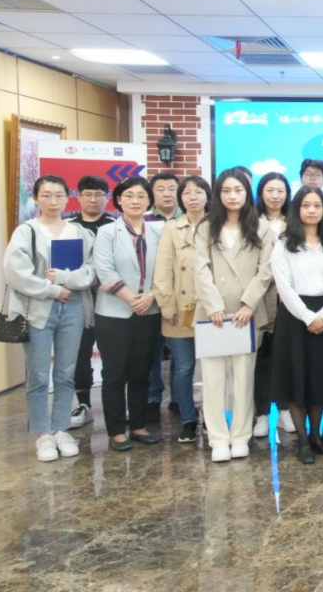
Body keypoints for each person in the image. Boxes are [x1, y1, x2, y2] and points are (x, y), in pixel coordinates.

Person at [4, 175, 97, 462]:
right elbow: (16, 273)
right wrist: (53, 290)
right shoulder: (26, 231)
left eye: (59, 195)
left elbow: (92, 269)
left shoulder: (80, 232)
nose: (53, 201)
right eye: (46, 195)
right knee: (39, 374)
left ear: (68, 198)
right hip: (37, 309)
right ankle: (42, 434)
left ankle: (61, 428)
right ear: (36, 198)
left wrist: (66, 280)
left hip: (73, 307)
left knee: (66, 372)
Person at [194, 171, 276, 462]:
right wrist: (213, 305)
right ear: (218, 194)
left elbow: (266, 270)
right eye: (226, 190)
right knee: (213, 379)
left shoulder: (261, 226)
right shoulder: (206, 227)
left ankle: (240, 436)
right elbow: (200, 269)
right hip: (212, 315)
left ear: (247, 193)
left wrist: (248, 304)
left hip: (246, 314)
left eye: (238, 190)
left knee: (244, 379)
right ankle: (218, 439)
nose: (232, 196)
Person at [271, 186, 323, 464]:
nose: (312, 210)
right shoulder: (284, 244)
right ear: (297, 209)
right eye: (306, 205)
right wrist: (308, 317)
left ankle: (317, 435)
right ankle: (303, 440)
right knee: (297, 379)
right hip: (294, 318)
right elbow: (283, 287)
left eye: (317, 205)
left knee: (319, 379)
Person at [93, 176, 164, 452]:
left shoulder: (158, 231)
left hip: (149, 309)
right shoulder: (107, 232)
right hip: (114, 312)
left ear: (149, 201)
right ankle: (115, 431)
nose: (136, 201)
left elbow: (165, 270)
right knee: (114, 373)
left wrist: (151, 296)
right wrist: (131, 299)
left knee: (141, 371)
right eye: (129, 196)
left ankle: (138, 426)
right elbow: (104, 270)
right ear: (119, 200)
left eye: (142, 196)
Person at [151, 175, 209, 444]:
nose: (193, 197)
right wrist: (166, 305)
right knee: (183, 368)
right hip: (180, 308)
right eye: (187, 193)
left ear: (208, 196)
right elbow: (163, 270)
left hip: (212, 309)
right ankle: (188, 419)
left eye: (198, 192)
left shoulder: (217, 225)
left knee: (214, 369)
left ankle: (213, 417)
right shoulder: (171, 229)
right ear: (181, 198)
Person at [66, 174, 114, 430]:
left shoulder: (116, 226)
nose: (93, 199)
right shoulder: (68, 227)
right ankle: (83, 404)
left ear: (107, 198)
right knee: (80, 352)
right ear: (78, 197)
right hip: (79, 300)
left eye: (98, 195)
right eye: (88, 194)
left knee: (113, 354)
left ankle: (115, 404)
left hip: (111, 299)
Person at [252, 172, 293, 439]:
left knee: (286, 357)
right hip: (262, 296)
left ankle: (285, 409)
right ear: (261, 193)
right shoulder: (251, 221)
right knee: (263, 358)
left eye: (280, 191)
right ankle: (262, 414)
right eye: (270, 190)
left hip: (290, 297)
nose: (275, 196)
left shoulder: (295, 221)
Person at [145, 172, 182, 421]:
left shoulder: (189, 218)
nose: (167, 194)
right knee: (151, 350)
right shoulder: (142, 218)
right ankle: (152, 398)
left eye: (172, 188)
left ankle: (179, 398)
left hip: (180, 297)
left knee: (181, 351)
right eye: (161, 189)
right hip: (149, 296)